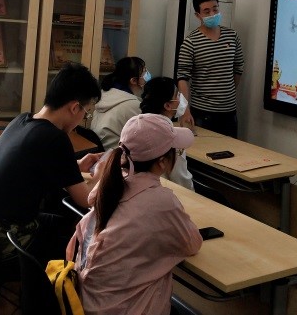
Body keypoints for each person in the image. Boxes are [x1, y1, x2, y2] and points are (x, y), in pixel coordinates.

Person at [68, 113, 202, 315]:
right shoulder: (161, 202)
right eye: (177, 152)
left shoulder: (110, 184)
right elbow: (192, 243)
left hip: (87, 303)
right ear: (162, 162)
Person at [0, 62, 104, 263]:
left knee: (65, 222)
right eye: (85, 113)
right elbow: (86, 199)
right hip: (7, 243)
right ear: (74, 107)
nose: (83, 119)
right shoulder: (55, 138)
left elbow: (37, 166)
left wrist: (75, 165)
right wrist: (102, 172)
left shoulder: (22, 120)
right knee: (82, 239)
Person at [177, 0, 245, 137]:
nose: (212, 14)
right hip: (203, 112)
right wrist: (185, 109)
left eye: (215, 9)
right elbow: (182, 78)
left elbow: (238, 68)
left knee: (231, 149)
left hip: (229, 112)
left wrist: (227, 91)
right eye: (206, 11)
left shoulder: (232, 36)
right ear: (198, 15)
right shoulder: (191, 42)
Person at [140, 76, 194, 190]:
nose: (181, 98)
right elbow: (181, 180)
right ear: (168, 105)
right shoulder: (172, 137)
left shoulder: (137, 125)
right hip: (163, 191)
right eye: (177, 95)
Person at [90, 56, 148, 151]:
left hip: (103, 153)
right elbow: (146, 138)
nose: (147, 75)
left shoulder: (106, 94)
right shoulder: (132, 105)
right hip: (117, 155)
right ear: (133, 80)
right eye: (145, 72)